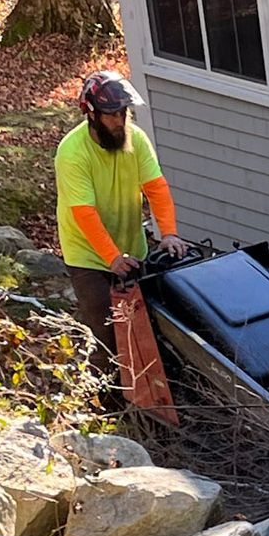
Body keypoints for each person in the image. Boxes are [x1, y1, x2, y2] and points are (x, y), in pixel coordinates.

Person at [55, 70, 187, 406]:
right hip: (88, 255)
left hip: (131, 245)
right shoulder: (72, 153)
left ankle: (153, 401)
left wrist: (168, 233)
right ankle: (104, 409)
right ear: (92, 114)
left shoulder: (136, 139)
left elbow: (156, 188)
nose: (120, 120)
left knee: (147, 329)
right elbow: (84, 213)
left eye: (124, 112)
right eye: (113, 114)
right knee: (108, 334)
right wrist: (111, 258)